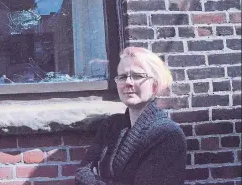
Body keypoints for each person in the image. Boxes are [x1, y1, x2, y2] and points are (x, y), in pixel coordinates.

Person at [75, 47, 187, 185]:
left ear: (154, 85)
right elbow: (82, 172)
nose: (128, 82)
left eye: (137, 76)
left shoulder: (167, 135)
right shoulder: (111, 126)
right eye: (122, 77)